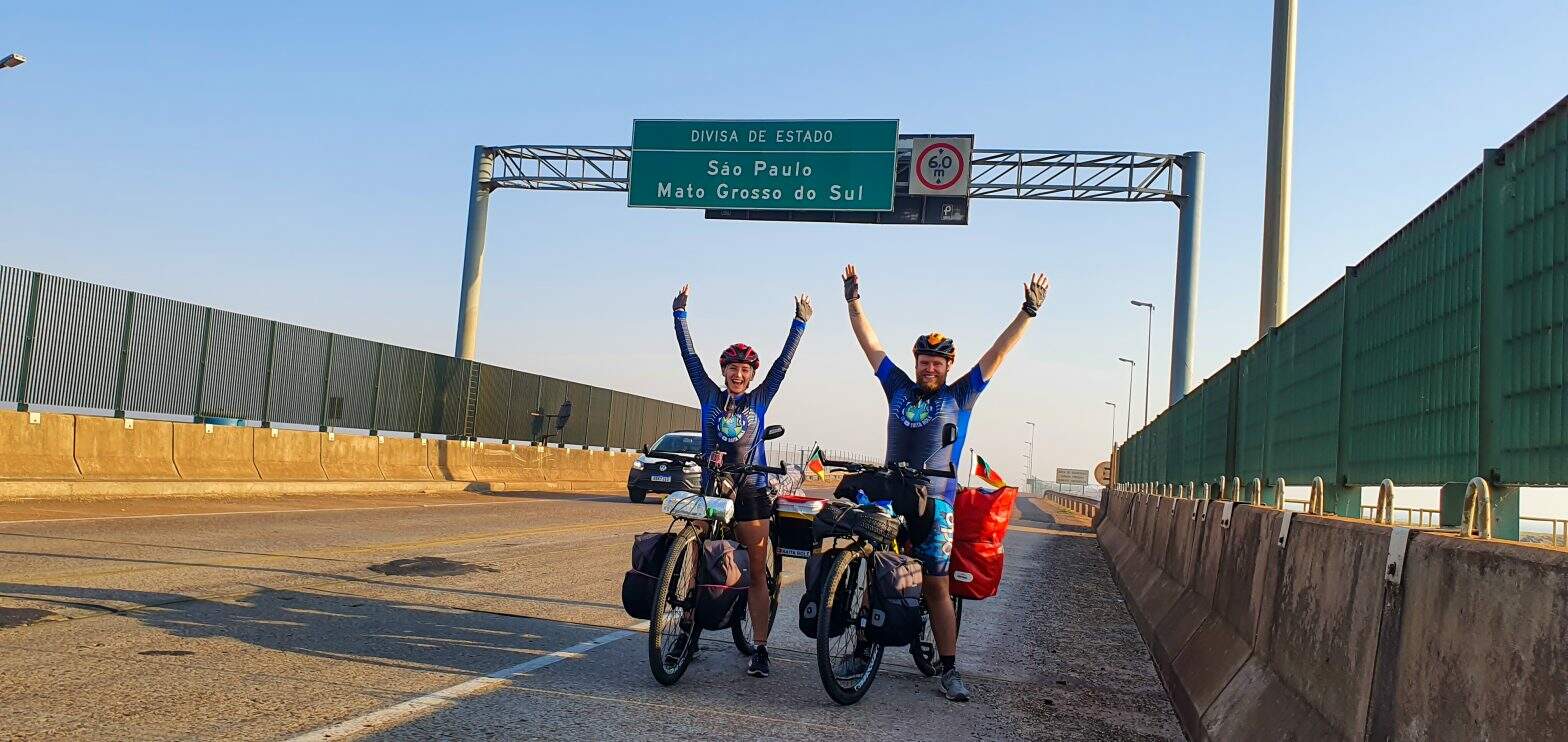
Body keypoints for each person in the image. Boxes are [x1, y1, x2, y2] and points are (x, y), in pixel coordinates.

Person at [840, 264, 1048, 702]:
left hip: (937, 502)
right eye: (923, 361)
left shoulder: (961, 395)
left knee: (936, 585)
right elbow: (869, 343)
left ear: (948, 365)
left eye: (936, 362)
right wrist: (853, 298)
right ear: (915, 363)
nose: (929, 368)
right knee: (871, 566)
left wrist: (1027, 311)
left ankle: (949, 669)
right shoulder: (896, 386)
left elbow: (998, 354)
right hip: (894, 496)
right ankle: (860, 651)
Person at [672, 283, 810, 679]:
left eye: (744, 370)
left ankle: (762, 648)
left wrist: (799, 323)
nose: (737, 374)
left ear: (751, 376)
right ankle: (688, 633)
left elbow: (782, 364)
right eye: (732, 369)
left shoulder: (760, 400)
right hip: (713, 486)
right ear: (724, 372)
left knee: (754, 566)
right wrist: (680, 315)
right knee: (697, 561)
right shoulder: (708, 395)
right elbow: (689, 356)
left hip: (751, 490)